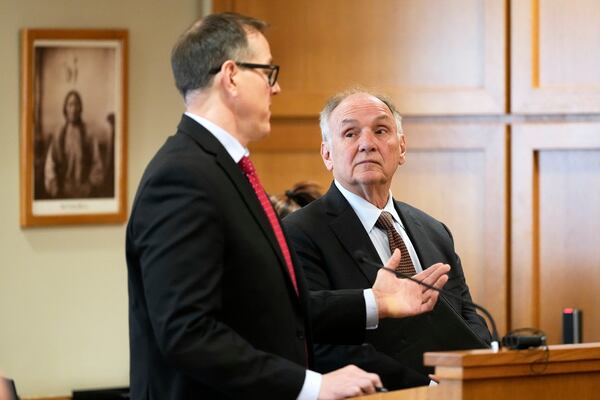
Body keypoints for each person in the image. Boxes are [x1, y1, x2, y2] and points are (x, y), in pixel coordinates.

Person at [126, 13, 451, 400]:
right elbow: (187, 333)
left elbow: (268, 312)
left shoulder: (225, 170)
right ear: (231, 76)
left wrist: (374, 302)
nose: (276, 88)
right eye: (267, 72)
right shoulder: (182, 177)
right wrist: (311, 385)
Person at [283, 89, 492, 390]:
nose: (367, 144)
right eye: (350, 134)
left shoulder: (433, 230)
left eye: (380, 130)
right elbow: (317, 342)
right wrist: (426, 385)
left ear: (402, 147)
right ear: (327, 154)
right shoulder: (299, 232)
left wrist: (473, 369)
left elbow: (469, 319)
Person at [44, 90, 104, 198]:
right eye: (70, 104)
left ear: (80, 108)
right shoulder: (58, 135)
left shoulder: (88, 134)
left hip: (85, 191)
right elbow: (50, 164)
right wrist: (55, 187)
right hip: (62, 190)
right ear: (65, 108)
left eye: (76, 104)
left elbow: (97, 162)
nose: (73, 109)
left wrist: (90, 185)